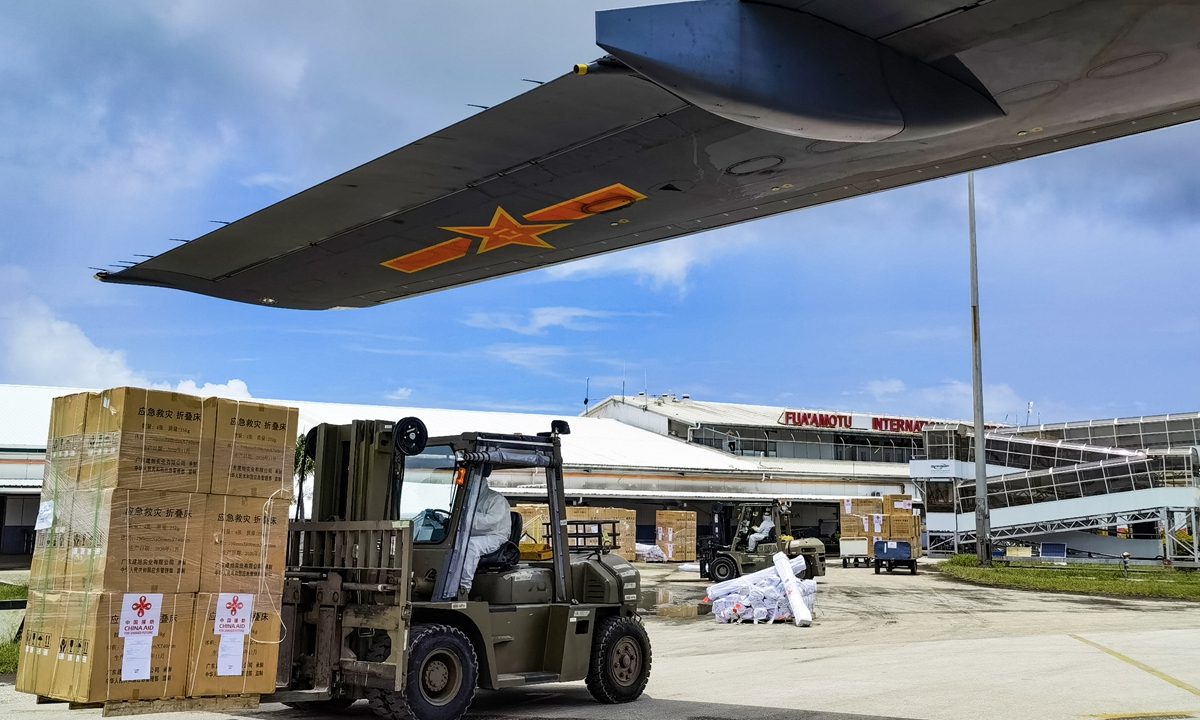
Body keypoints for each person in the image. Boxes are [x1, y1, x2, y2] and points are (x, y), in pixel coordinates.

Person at [457, 476, 512, 596]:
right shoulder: (467, 499)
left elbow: (492, 522)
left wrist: (467, 517)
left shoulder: (496, 499)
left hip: (495, 536)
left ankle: (463, 588)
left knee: (471, 546)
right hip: (471, 535)